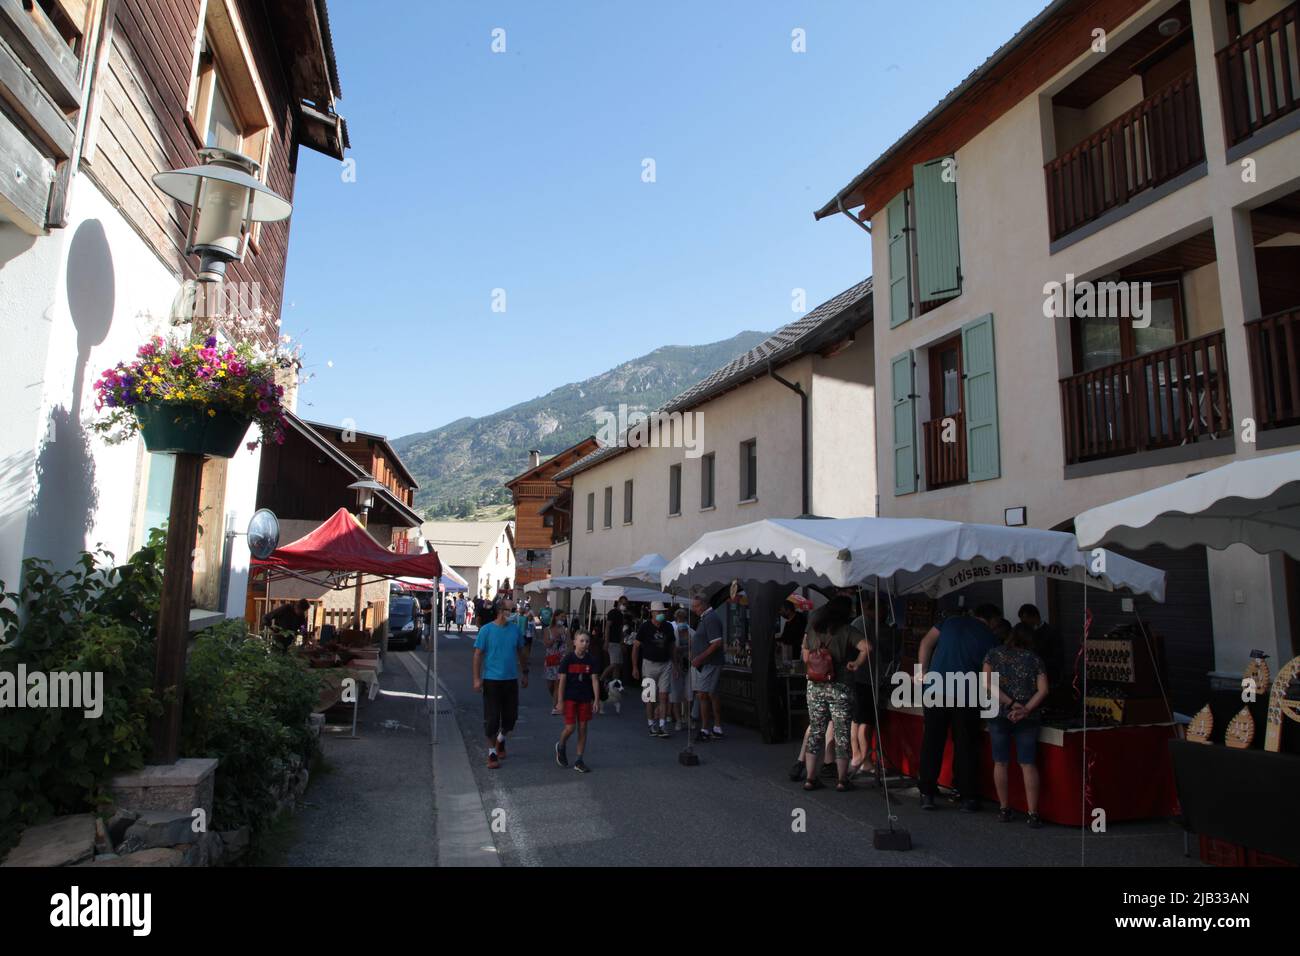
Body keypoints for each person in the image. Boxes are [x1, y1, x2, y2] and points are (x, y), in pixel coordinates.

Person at [916, 602, 1001, 812]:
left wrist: (923, 670)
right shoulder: (991, 638)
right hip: (967, 693)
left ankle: (927, 793)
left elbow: (926, 643)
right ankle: (968, 797)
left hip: (935, 688)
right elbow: (989, 674)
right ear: (991, 620)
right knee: (966, 745)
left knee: (932, 741)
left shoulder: (949, 622)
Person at [801, 597, 871, 792]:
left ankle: (810, 778)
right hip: (841, 686)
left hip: (815, 686)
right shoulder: (848, 631)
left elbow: (806, 656)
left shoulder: (813, 629)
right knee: (842, 733)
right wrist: (856, 663)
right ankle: (842, 780)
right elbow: (867, 647)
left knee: (816, 731)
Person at [984, 623, 1049, 828]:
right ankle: (1033, 813)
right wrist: (1025, 709)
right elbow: (1043, 690)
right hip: (1027, 717)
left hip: (998, 712)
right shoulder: (1035, 659)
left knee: (1000, 762)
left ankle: (1004, 808)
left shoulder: (993, 655)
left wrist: (1010, 703)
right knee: (1028, 764)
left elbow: (987, 684)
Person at [472, 596, 530, 769]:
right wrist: (476, 679)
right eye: (510, 610)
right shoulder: (486, 630)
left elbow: (521, 652)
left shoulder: (515, 630)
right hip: (492, 680)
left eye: (514, 610)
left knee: (511, 717)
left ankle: (501, 739)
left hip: (510, 680)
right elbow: (477, 655)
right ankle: (492, 753)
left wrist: (525, 673)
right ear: (500, 611)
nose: (514, 613)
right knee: (492, 718)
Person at [555, 629, 600, 772]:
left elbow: (594, 680)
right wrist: (560, 701)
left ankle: (579, 760)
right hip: (570, 698)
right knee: (570, 728)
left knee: (583, 728)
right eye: (581, 641)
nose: (584, 644)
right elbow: (562, 681)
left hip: (585, 698)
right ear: (574, 642)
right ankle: (561, 745)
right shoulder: (568, 659)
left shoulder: (591, 660)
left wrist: (596, 700)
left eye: (587, 641)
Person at [633, 601, 676, 737]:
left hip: (665, 664)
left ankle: (662, 725)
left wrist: (675, 664)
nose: (661, 615)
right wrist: (635, 667)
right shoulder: (645, 627)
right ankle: (651, 724)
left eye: (662, 612)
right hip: (649, 664)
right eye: (658, 612)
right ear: (652, 613)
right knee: (650, 697)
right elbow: (636, 647)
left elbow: (672, 646)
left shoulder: (668, 627)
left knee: (663, 696)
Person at [689, 591, 725, 742]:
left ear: (704, 605)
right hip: (706, 662)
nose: (694, 609)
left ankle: (705, 729)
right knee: (711, 694)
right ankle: (716, 727)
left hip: (709, 663)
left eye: (696, 606)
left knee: (703, 694)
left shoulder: (710, 618)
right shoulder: (706, 618)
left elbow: (716, 643)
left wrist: (699, 658)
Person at [1019, 604, 1063, 691]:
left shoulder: (1051, 633)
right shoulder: (1024, 632)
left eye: (1026, 619)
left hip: (1047, 676)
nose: (1024, 622)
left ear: (1034, 617)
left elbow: (1057, 657)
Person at [669, 607, 691, 730]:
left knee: (687, 694)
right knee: (676, 694)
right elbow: (671, 650)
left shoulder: (690, 631)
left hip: (687, 665)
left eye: (683, 618)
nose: (681, 620)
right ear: (676, 618)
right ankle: (679, 719)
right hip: (676, 665)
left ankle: (685, 717)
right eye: (680, 618)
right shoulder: (673, 630)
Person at [544, 610, 568, 715]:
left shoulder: (566, 630)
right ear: (555, 617)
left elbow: (570, 644)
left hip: (562, 659)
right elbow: (547, 644)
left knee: (557, 683)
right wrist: (555, 637)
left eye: (564, 617)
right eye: (561, 617)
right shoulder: (547, 630)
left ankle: (556, 706)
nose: (563, 619)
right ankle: (559, 700)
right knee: (550, 684)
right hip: (550, 658)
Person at [777, 598, 808, 665]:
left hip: (797, 656)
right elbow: (784, 637)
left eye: (781, 610)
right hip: (788, 656)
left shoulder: (800, 620)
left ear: (788, 610)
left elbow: (796, 638)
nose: (780, 613)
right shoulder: (788, 622)